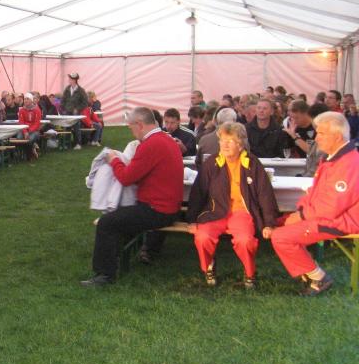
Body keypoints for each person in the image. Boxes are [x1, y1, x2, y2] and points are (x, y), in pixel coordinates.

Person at [81, 107, 183, 287]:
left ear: (140, 125)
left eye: (131, 128)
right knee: (118, 217)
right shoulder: (166, 139)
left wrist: (114, 160)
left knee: (107, 223)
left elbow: (126, 178)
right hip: (170, 207)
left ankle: (105, 275)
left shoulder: (151, 144)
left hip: (158, 210)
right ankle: (118, 259)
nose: (131, 132)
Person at [269, 112, 359, 296]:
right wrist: (300, 211)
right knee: (275, 224)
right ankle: (309, 271)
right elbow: (313, 193)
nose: (317, 138)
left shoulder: (348, 163)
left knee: (280, 236)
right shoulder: (333, 159)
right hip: (329, 216)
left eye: (321, 133)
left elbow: (331, 207)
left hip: (344, 221)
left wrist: (301, 216)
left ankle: (318, 278)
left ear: (337, 136)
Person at [186, 122, 279, 289]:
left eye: (230, 141)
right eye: (222, 141)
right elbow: (198, 192)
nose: (225, 145)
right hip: (215, 211)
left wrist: (269, 223)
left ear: (241, 144)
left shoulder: (252, 163)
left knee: (245, 240)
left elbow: (265, 195)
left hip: (241, 212)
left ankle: (249, 272)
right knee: (202, 237)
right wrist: (192, 220)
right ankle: (209, 265)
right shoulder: (212, 163)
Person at [59, 72, 88, 149]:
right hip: (67, 112)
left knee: (76, 128)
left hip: (76, 113)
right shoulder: (67, 89)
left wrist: (78, 109)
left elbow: (85, 102)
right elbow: (63, 100)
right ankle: (67, 144)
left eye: (70, 79)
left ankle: (78, 144)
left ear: (74, 80)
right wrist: (63, 108)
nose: (69, 80)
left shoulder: (81, 90)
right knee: (67, 127)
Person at [18, 93, 43, 160]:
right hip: (24, 129)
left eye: (27, 99)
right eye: (25, 99)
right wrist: (25, 131)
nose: (26, 100)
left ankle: (29, 155)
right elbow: (21, 122)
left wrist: (28, 131)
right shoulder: (21, 110)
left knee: (30, 139)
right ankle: (28, 151)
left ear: (31, 100)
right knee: (19, 138)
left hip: (34, 130)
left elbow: (37, 123)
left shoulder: (37, 110)